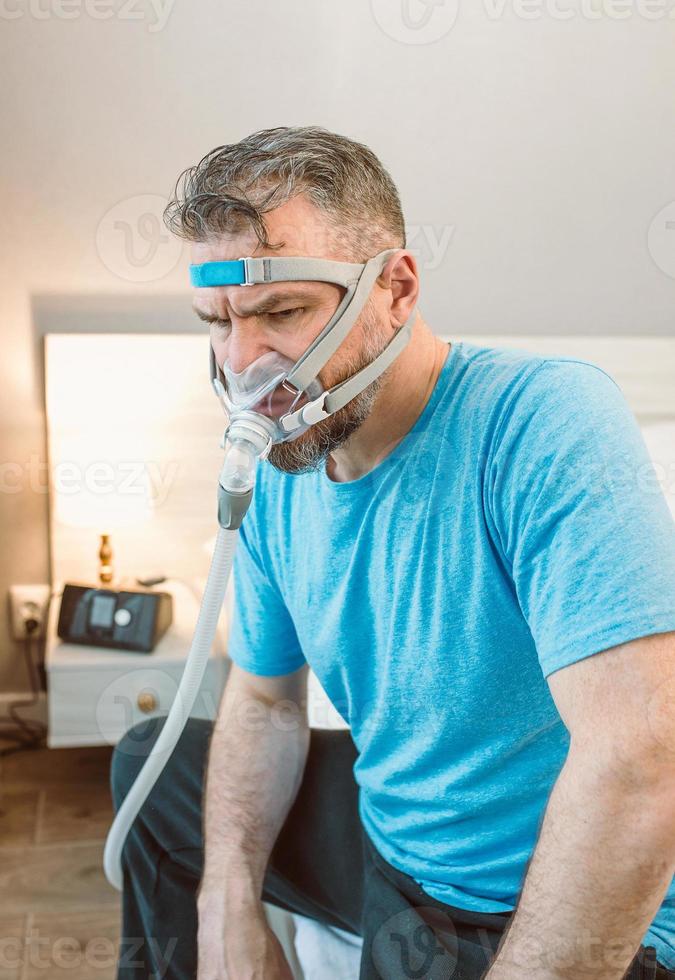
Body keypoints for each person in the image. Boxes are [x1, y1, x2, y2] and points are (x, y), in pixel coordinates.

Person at [111, 126, 675, 980]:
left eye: (282, 312)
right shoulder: (277, 474)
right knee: (152, 767)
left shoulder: (539, 423)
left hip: (519, 894)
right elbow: (264, 705)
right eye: (218, 322)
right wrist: (228, 899)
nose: (244, 364)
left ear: (396, 288)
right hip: (392, 832)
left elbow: (640, 757)